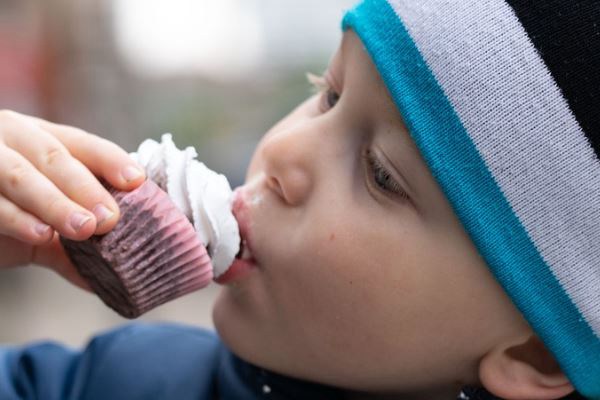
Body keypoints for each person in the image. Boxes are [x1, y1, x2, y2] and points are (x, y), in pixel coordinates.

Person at [0, 0, 597, 398]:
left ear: (538, 353)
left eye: (382, 175)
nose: (284, 152)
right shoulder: (118, 381)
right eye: (327, 94)